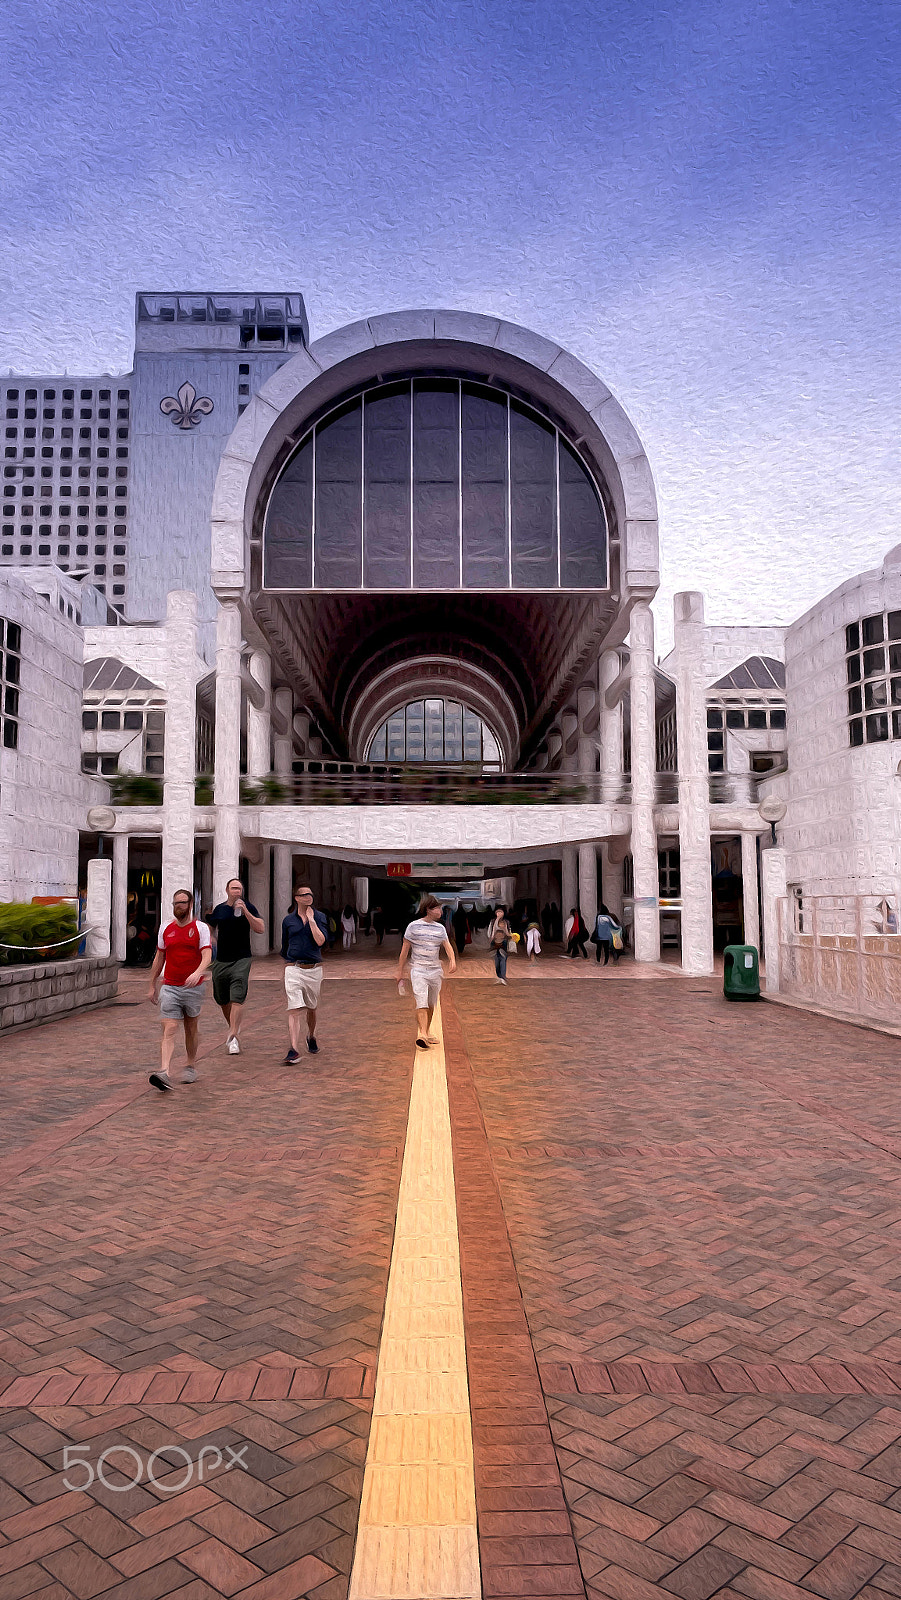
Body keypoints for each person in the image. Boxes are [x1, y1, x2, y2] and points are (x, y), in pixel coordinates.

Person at [147, 889, 213, 1091]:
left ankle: (191, 1064)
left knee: (191, 1027)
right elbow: (159, 958)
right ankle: (164, 1071)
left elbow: (207, 955)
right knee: (170, 1027)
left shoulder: (200, 928)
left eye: (182, 903)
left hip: (193, 987)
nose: (178, 906)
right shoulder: (166, 928)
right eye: (175, 903)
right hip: (170, 986)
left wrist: (198, 972)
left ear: (190, 904)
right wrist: (152, 984)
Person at [207, 877, 264, 1053]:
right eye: (233, 888)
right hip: (222, 959)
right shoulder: (220, 909)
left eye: (239, 889)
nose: (237, 892)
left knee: (237, 995)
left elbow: (260, 928)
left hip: (242, 958)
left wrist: (245, 911)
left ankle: (233, 1035)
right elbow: (210, 924)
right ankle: (233, 1026)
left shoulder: (249, 906)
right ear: (227, 890)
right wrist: (211, 937)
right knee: (222, 999)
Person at [397, 894, 456, 1048]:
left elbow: (447, 945)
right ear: (429, 909)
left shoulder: (440, 928)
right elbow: (404, 951)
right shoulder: (413, 926)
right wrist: (400, 971)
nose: (440, 911)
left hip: (435, 970)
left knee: (431, 1003)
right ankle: (422, 1034)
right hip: (418, 970)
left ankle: (426, 1032)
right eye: (438, 908)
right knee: (421, 1001)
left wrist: (452, 960)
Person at [281, 885, 328, 1062]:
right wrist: (286, 964)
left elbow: (321, 941)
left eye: (310, 894)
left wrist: (312, 921)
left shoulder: (320, 917)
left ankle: (311, 1035)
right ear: (297, 898)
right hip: (294, 968)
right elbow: (284, 944)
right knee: (294, 1008)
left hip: (314, 969)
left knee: (311, 1007)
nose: (309, 897)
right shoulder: (288, 920)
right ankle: (293, 1048)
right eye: (304, 894)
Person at [489, 906, 511, 984]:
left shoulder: (505, 922)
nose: (499, 914)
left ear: (503, 913)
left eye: (500, 912)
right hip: (495, 942)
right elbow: (491, 932)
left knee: (503, 959)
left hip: (503, 942)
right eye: (497, 912)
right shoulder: (493, 921)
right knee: (496, 960)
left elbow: (508, 932)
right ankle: (499, 976)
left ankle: (502, 977)